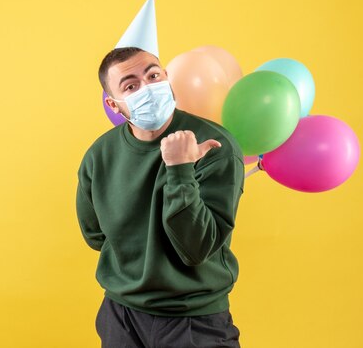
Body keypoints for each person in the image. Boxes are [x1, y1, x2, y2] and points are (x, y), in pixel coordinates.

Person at [76, 46, 245, 348]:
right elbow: (95, 234)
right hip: (122, 318)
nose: (148, 88)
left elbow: (196, 248)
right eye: (131, 85)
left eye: (153, 75)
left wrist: (180, 168)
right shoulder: (99, 155)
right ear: (114, 104)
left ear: (168, 79)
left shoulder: (215, 145)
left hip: (195, 321)